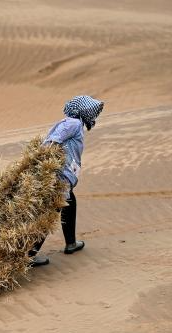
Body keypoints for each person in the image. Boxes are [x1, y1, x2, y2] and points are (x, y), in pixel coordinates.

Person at [30, 95, 105, 267]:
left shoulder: (74, 123)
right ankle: (31, 254)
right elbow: (52, 141)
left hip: (64, 176)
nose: (93, 115)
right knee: (51, 213)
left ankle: (71, 242)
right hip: (60, 177)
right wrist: (46, 165)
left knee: (70, 203)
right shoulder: (73, 123)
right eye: (91, 111)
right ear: (83, 111)